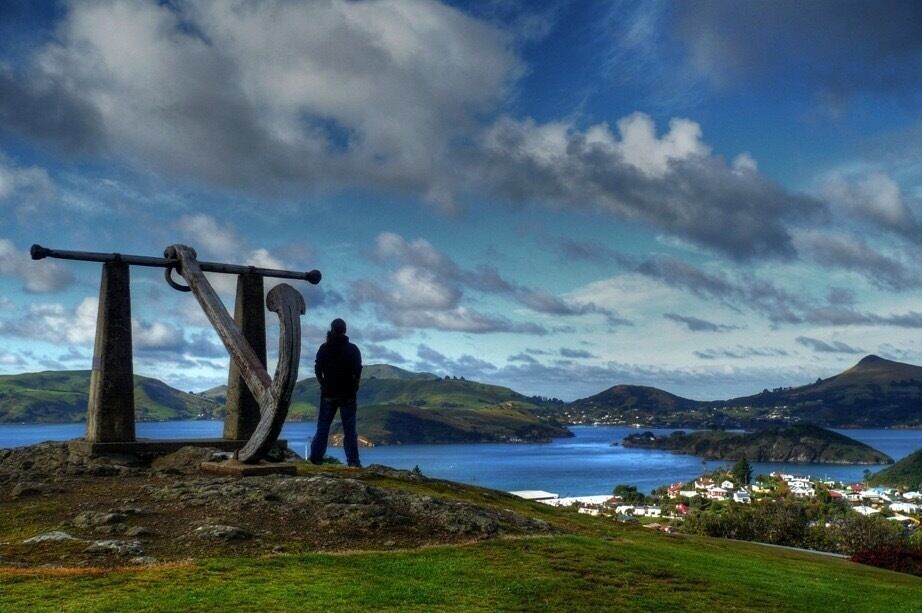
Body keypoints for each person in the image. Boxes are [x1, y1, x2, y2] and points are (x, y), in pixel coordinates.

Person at [309, 318, 363, 467]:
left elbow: (317, 369)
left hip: (328, 393)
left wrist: (323, 384)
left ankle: (315, 458)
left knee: (323, 427)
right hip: (348, 395)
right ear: (345, 330)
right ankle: (353, 462)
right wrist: (355, 386)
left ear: (332, 329)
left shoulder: (324, 348)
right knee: (350, 430)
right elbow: (357, 370)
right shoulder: (352, 349)